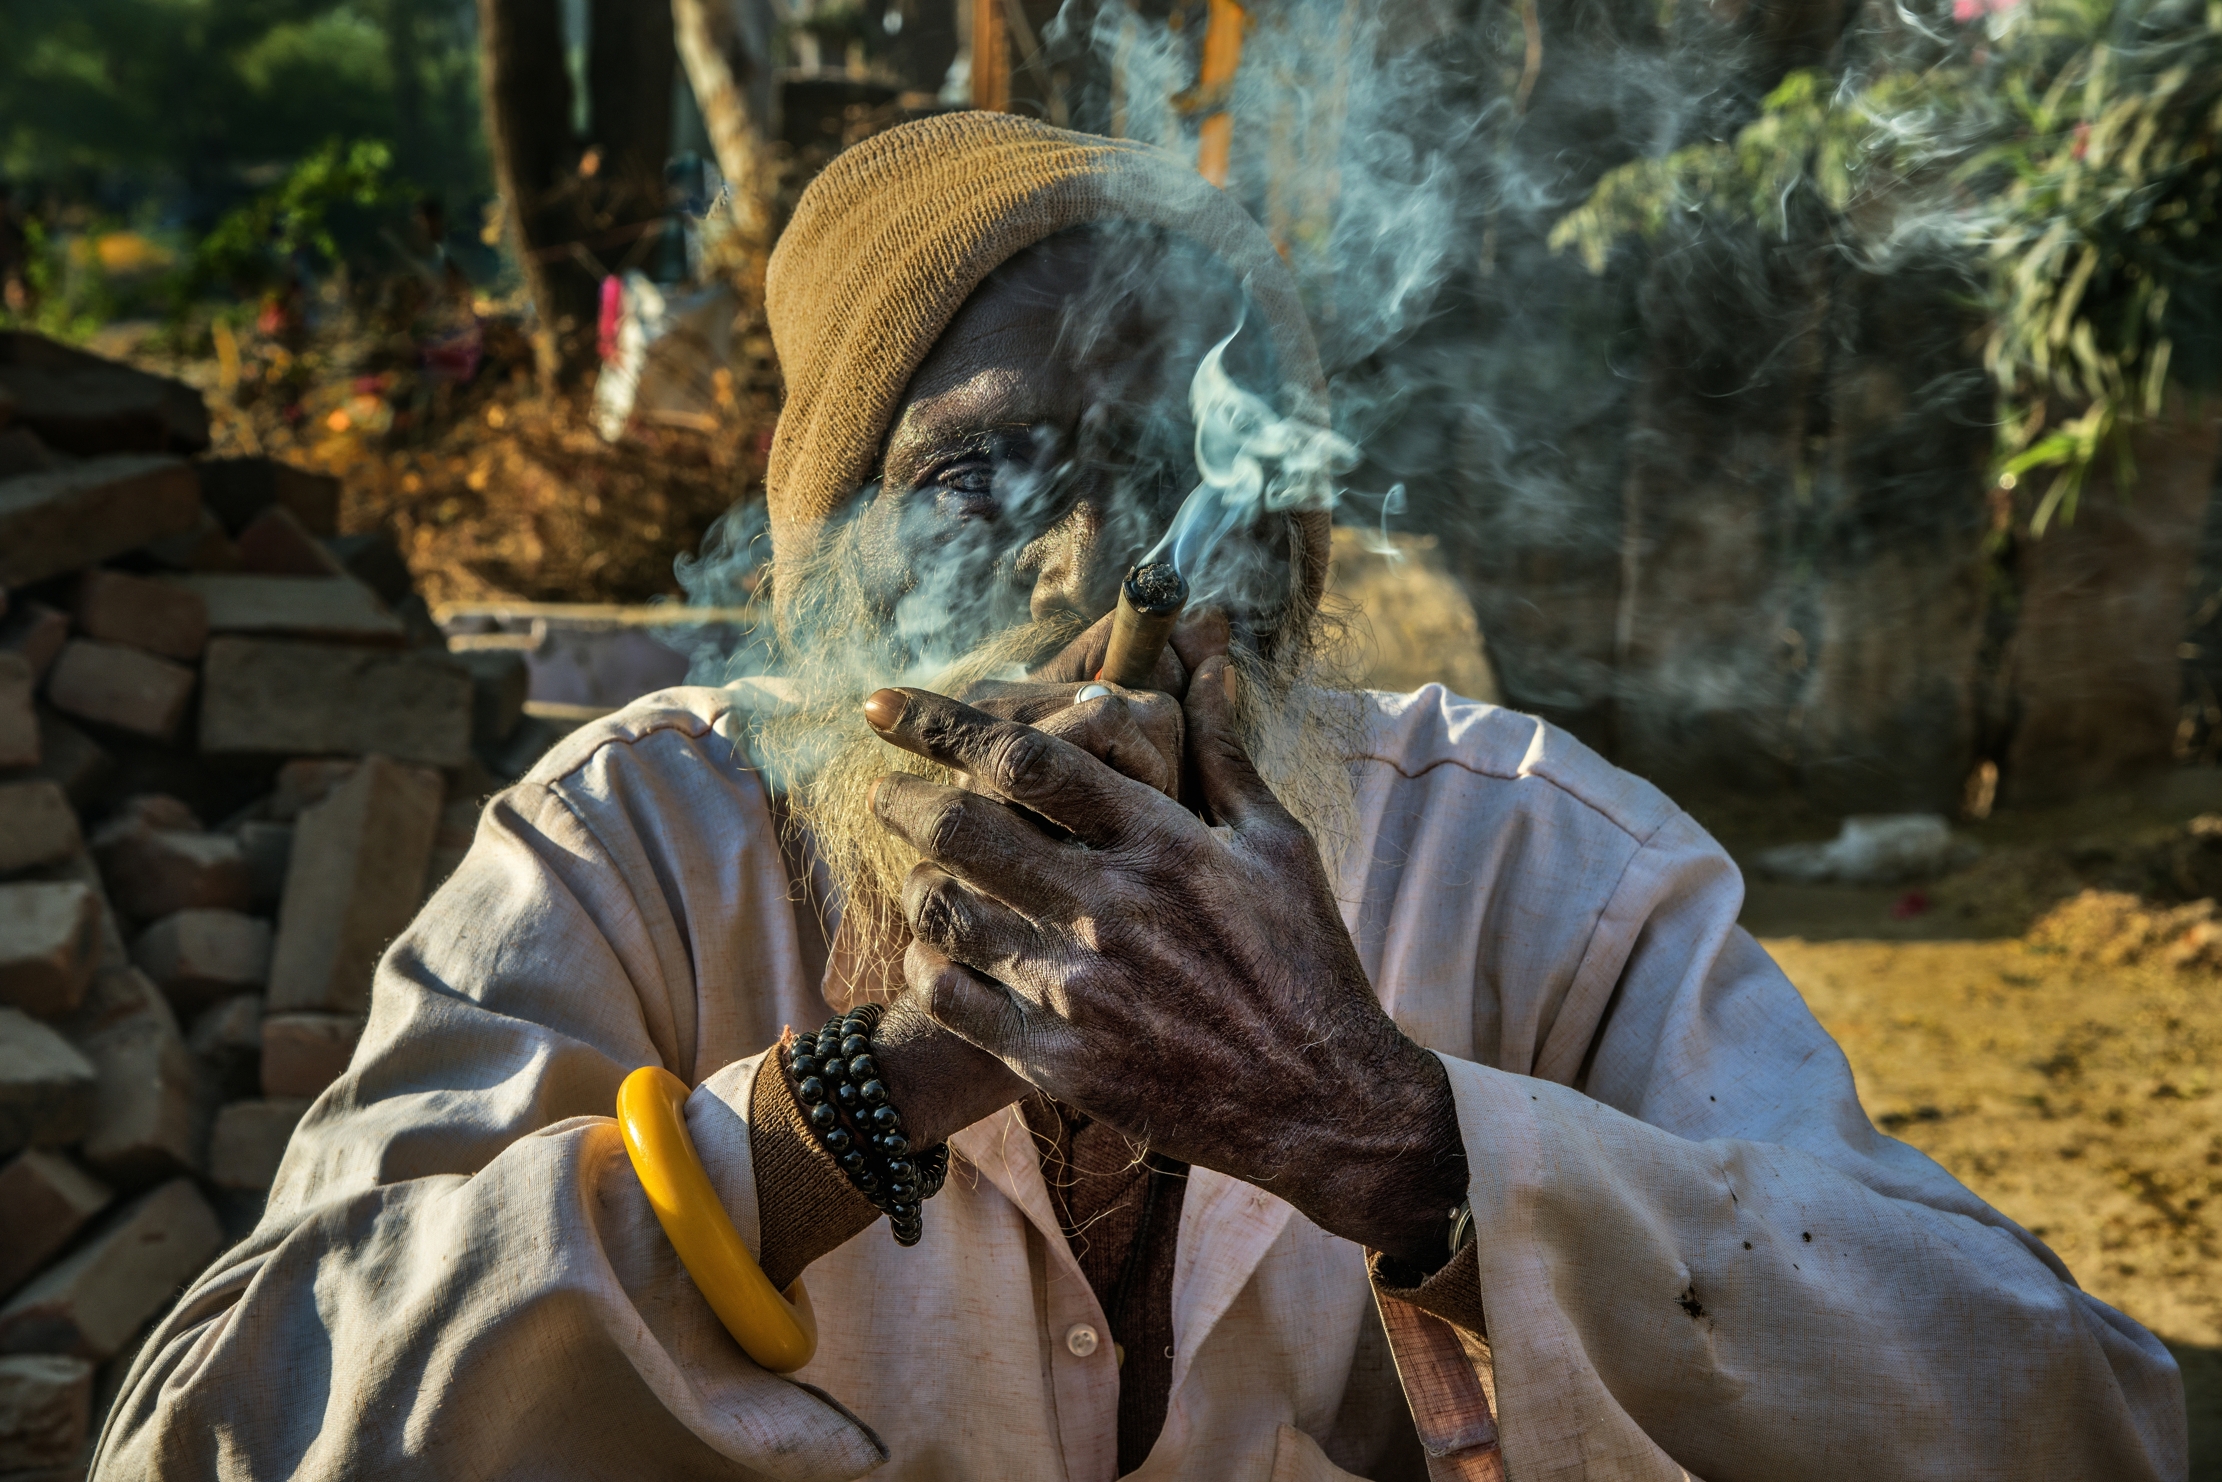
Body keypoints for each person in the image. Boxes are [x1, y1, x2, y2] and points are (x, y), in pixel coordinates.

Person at [94, 112, 2183, 1482]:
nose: (1110, 570)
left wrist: (1391, 1139)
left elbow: (2066, 1414)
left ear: (1298, 558)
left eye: (1205, 480)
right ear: (814, 571)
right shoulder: (637, 848)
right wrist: (853, 1104)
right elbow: (203, 1438)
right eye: (985, 477)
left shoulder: (1547, 865)